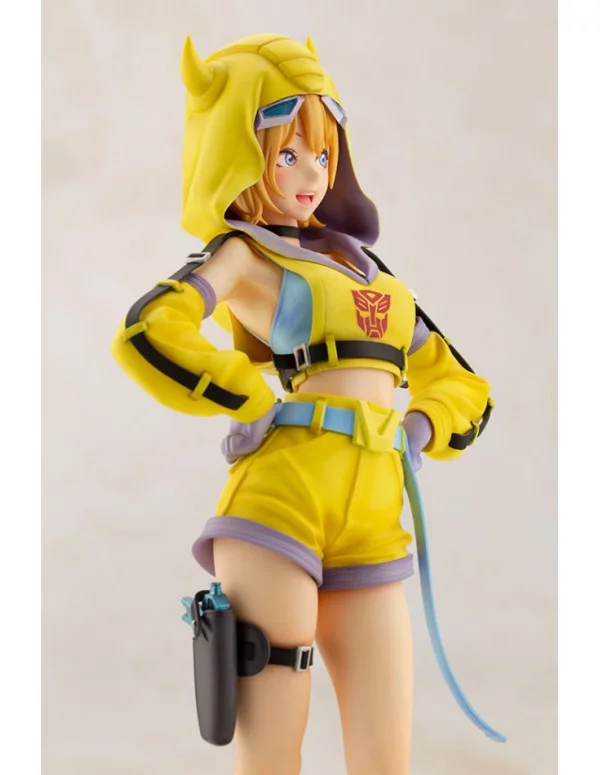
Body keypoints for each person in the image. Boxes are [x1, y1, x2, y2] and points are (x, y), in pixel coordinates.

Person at [112, 32, 500, 775]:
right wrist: (243, 392)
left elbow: (464, 384)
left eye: (322, 152)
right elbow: (147, 329)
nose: (312, 173)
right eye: (287, 153)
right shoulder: (245, 253)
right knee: (273, 747)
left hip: (375, 517)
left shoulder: (372, 274)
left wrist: (421, 425)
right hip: (280, 504)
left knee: (386, 754)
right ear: (235, 149)